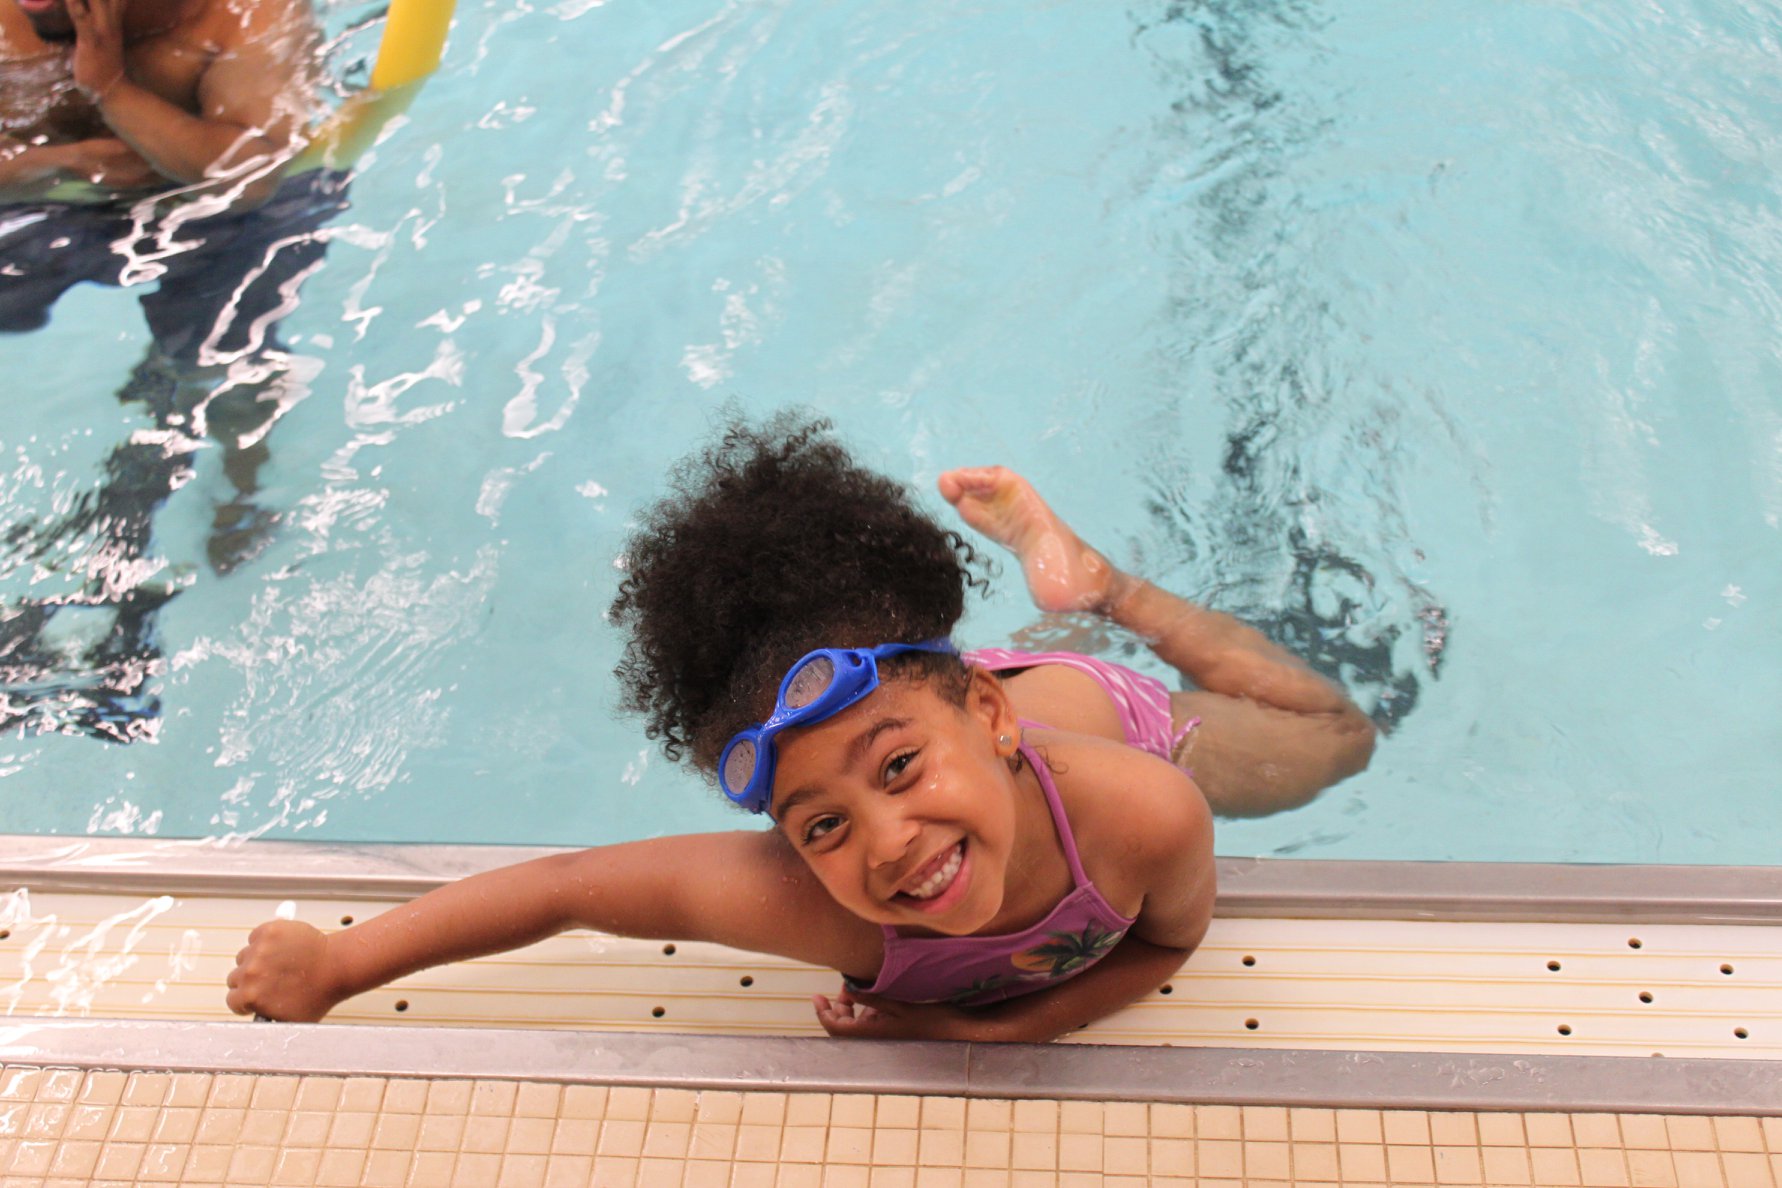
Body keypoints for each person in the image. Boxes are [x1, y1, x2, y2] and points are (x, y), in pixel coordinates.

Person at [226, 415, 1376, 1041]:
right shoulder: (806, 900)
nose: (885, 843)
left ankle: (1098, 588)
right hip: (941, 702)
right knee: (880, 741)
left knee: (1333, 736)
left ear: (987, 715)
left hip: (1092, 719)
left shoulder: (1144, 811)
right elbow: (568, 888)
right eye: (821, 825)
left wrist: (990, 1034)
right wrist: (340, 964)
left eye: (901, 772)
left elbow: (1165, 947)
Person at [1, 0, 342, 735]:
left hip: (226, 218)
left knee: (226, 366)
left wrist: (111, 90)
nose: (29, 8)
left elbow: (251, 174)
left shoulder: (246, 19)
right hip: (61, 190)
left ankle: (241, 491)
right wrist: (68, 161)